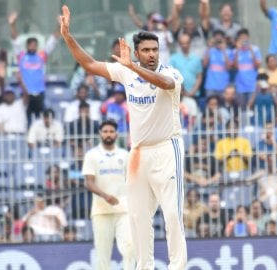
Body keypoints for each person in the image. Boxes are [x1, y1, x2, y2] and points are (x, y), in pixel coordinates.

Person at [60, 5, 187, 268]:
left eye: (155, 50)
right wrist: (67, 36)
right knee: (138, 217)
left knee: (173, 214)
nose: (151, 54)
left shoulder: (171, 73)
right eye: (146, 51)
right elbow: (89, 64)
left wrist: (133, 67)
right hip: (139, 153)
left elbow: (164, 84)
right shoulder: (126, 71)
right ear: (137, 52)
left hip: (167, 148)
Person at [82, 119, 135, 270]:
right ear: (100, 134)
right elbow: (89, 182)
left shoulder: (125, 155)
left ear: (116, 134)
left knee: (130, 247)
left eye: (111, 131)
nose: (108, 134)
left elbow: (133, 180)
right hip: (101, 210)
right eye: (105, 131)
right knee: (103, 254)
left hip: (124, 209)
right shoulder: (92, 155)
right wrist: (106, 196)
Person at [9, 11, 61, 122]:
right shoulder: (21, 56)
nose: (33, 47)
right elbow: (15, 41)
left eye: (35, 45)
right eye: (31, 45)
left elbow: (53, 42)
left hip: (39, 91)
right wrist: (12, 25)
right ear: (27, 46)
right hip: (25, 92)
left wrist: (60, 25)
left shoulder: (41, 56)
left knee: (39, 119)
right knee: (25, 119)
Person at [232, 28, 262, 107]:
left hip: (252, 84)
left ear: (248, 37)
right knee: (242, 108)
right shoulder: (235, 51)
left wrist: (250, 50)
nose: (243, 40)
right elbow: (234, 67)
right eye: (241, 38)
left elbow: (258, 65)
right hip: (240, 85)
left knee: (252, 108)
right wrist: (238, 50)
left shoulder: (255, 49)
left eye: (245, 37)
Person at [203, 30, 232, 97]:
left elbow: (229, 67)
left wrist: (224, 50)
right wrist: (209, 47)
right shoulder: (210, 50)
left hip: (223, 86)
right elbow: (204, 64)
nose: (218, 42)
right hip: (210, 85)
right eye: (217, 40)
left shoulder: (229, 52)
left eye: (220, 40)